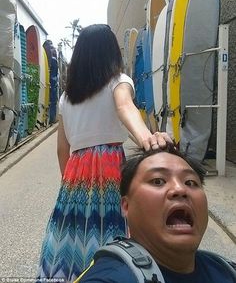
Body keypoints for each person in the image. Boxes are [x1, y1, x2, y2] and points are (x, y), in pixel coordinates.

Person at [36, 24, 171, 282]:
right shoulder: (118, 82)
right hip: (109, 167)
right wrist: (148, 140)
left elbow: (62, 148)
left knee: (74, 232)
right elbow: (125, 107)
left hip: (75, 171)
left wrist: (70, 184)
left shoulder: (68, 97)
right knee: (111, 229)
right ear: (111, 53)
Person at [78, 143, 236, 282]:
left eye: (190, 182)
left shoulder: (225, 269)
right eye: (158, 181)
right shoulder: (111, 276)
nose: (180, 189)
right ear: (126, 206)